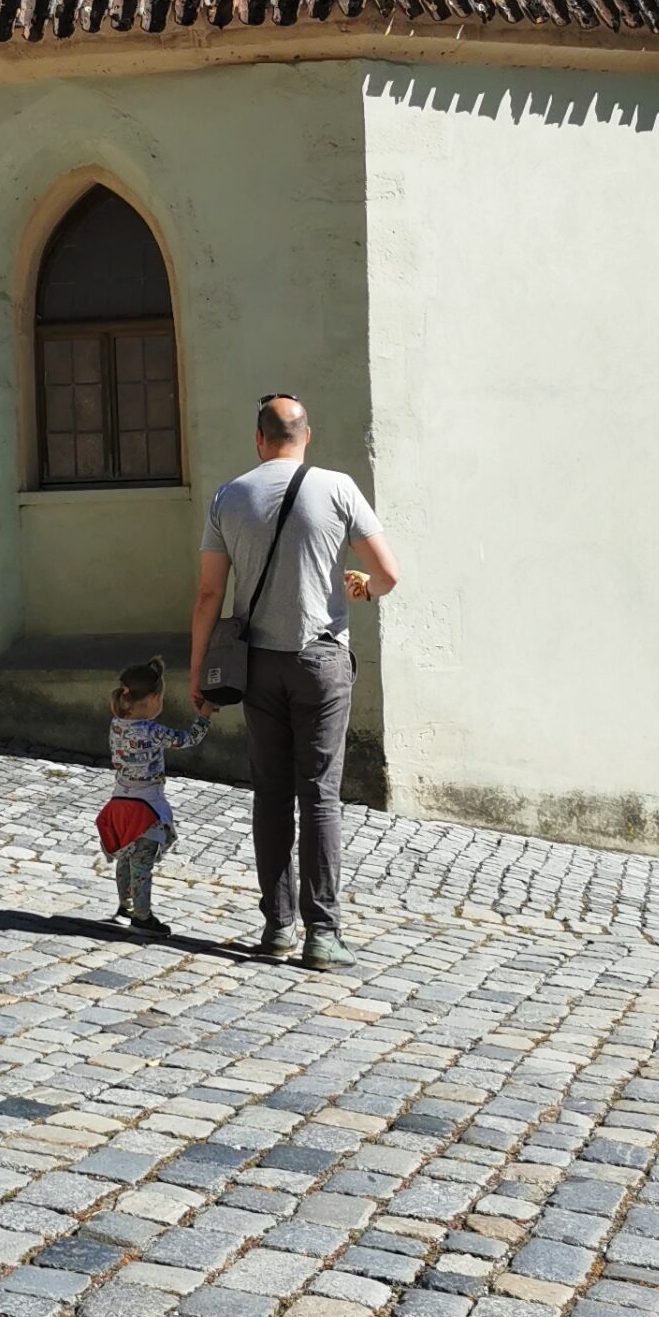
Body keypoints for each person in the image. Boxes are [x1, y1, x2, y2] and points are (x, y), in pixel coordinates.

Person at [189, 394, 399, 970]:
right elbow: (387, 574)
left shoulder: (229, 496)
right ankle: (323, 935)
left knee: (272, 795)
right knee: (320, 797)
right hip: (321, 661)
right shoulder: (337, 488)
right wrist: (360, 585)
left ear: (259, 439)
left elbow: (209, 593)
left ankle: (278, 926)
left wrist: (198, 670)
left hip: (258, 665)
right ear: (308, 436)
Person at [97, 655, 206, 936]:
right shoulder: (153, 730)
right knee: (142, 864)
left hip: (119, 801)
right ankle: (142, 917)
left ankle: (125, 907)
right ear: (154, 699)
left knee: (125, 857)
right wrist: (204, 715)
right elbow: (186, 739)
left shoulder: (116, 725)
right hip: (146, 806)